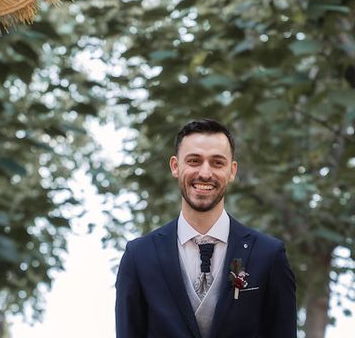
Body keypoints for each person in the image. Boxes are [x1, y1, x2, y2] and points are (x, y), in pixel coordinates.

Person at [115, 118, 297, 337]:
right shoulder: (139, 256)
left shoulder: (268, 255)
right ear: (175, 166)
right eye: (194, 161)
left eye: (217, 162)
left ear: (232, 171)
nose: (205, 173)